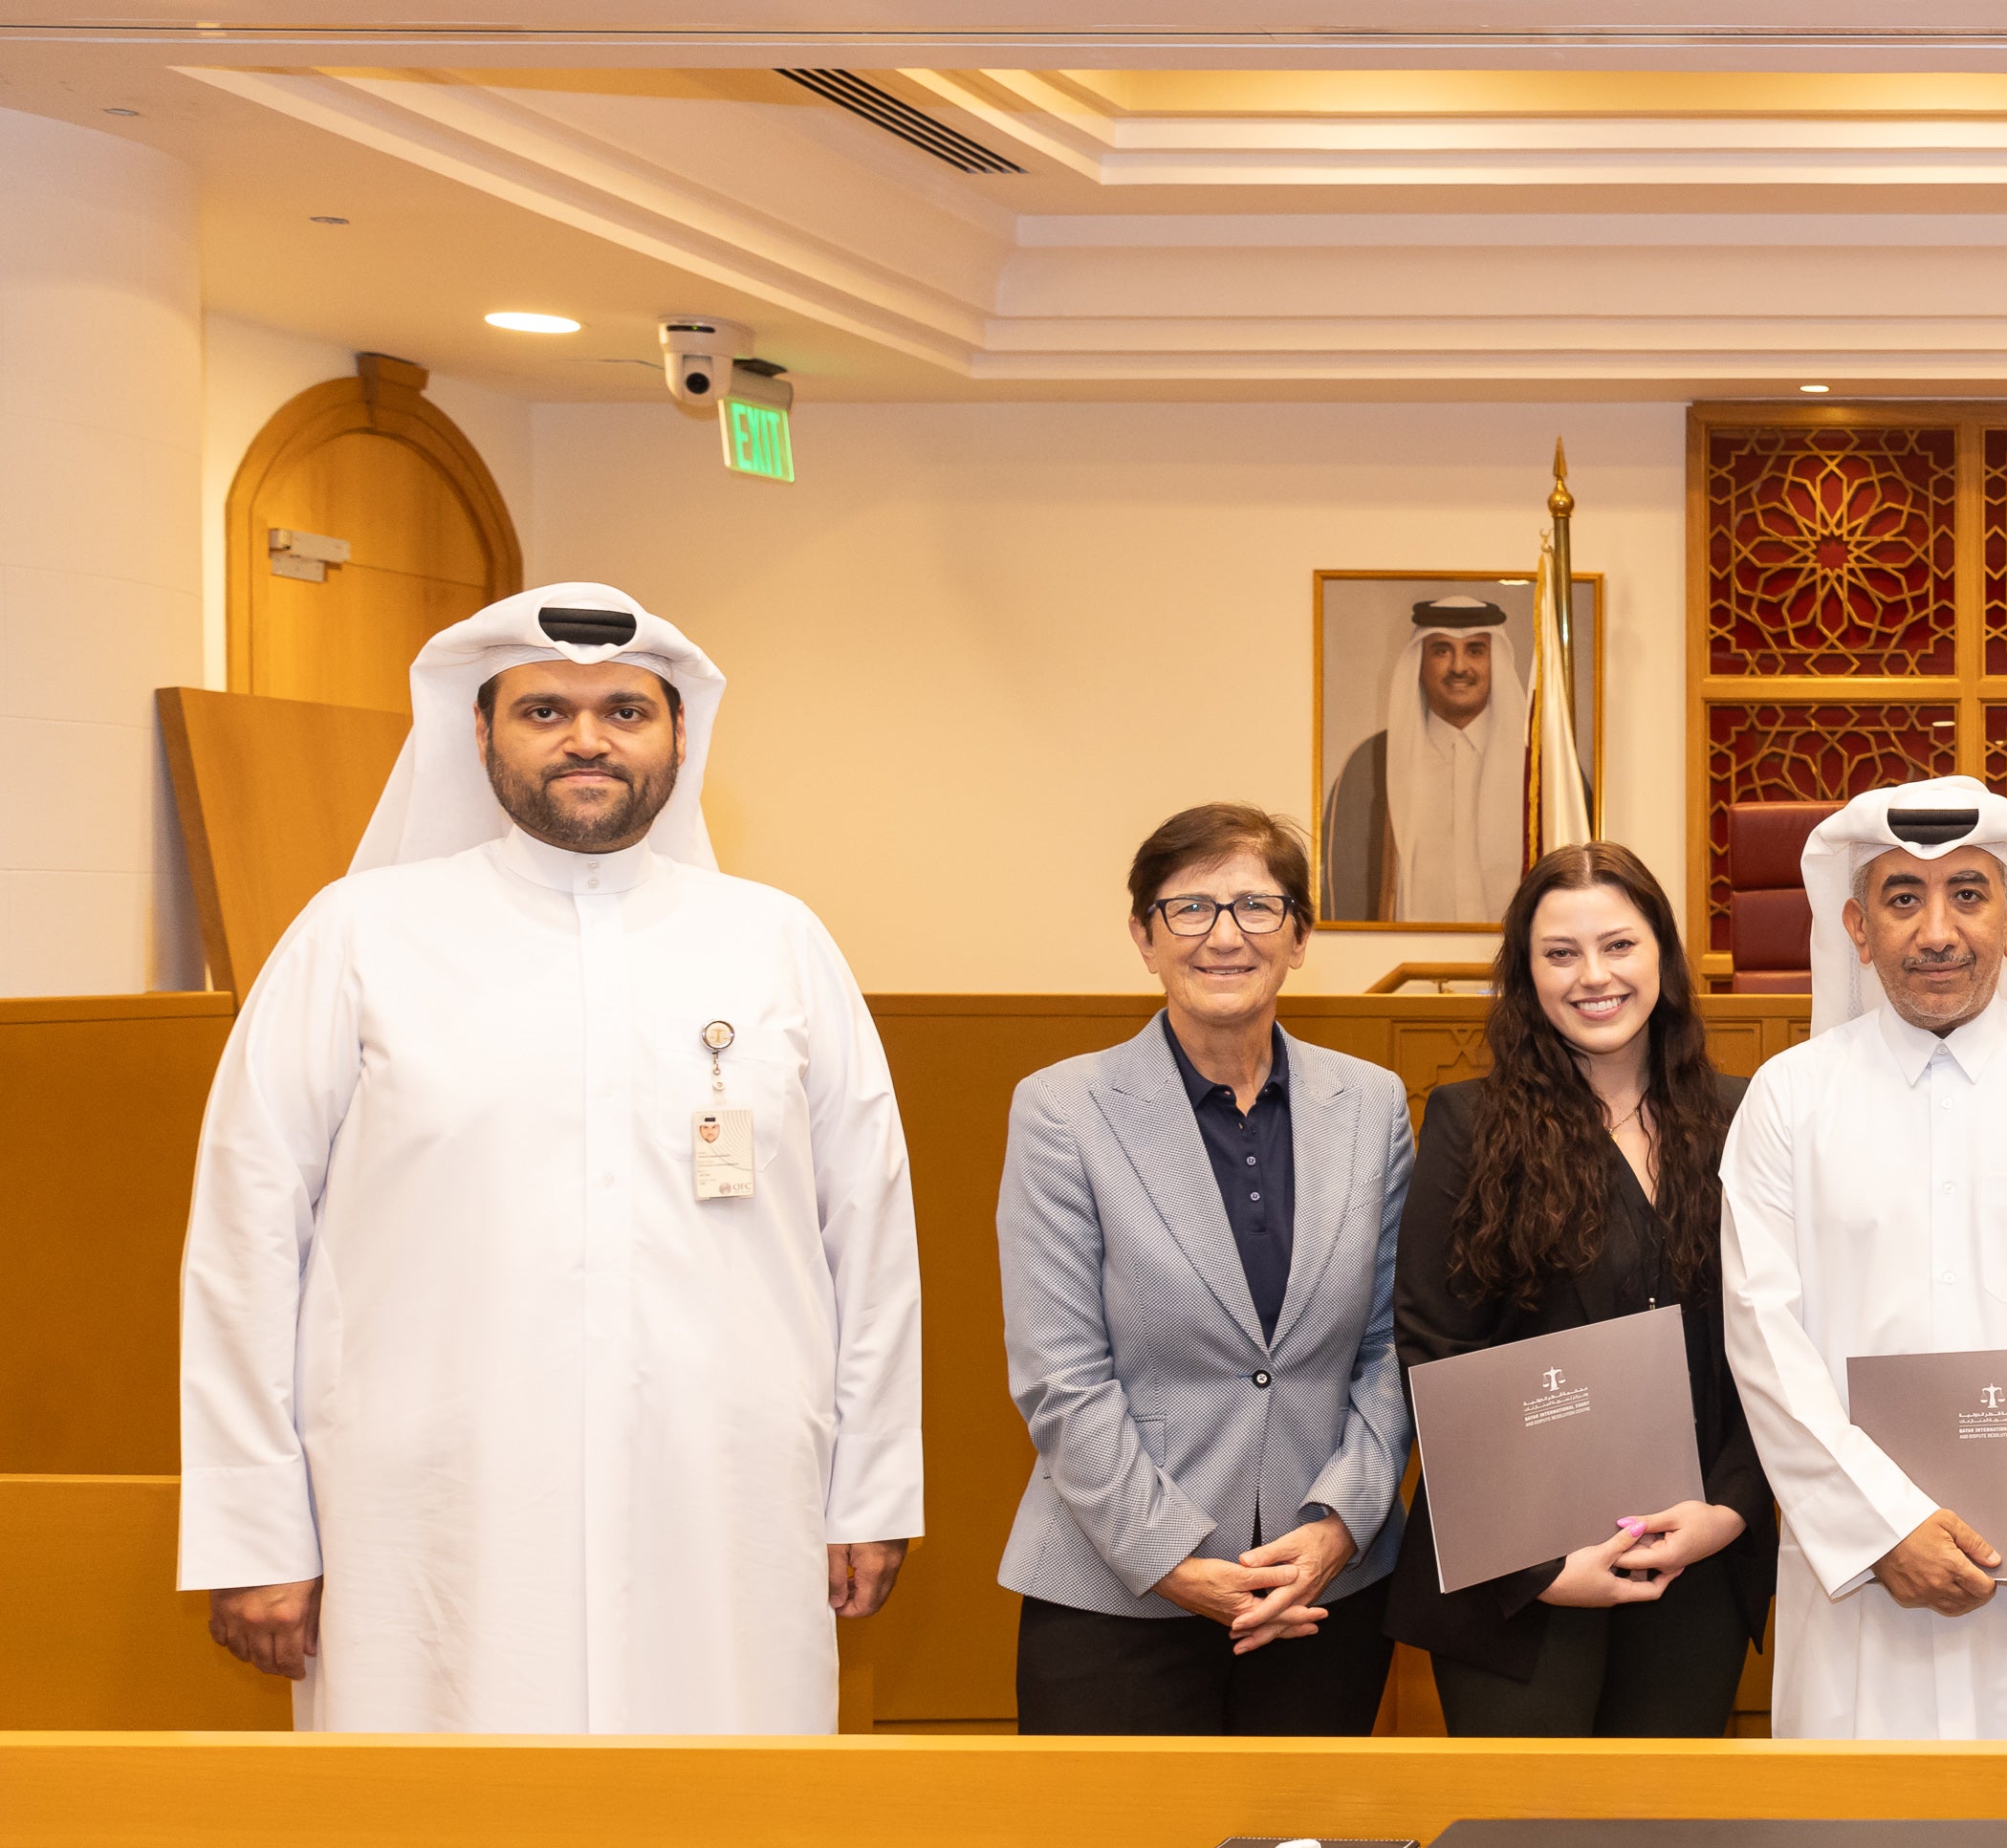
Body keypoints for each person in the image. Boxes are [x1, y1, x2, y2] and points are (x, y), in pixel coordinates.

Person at [178, 583, 922, 1731]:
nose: (587, 739)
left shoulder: (777, 942)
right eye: (543, 712)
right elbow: (243, 1239)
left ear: (680, 735)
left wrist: (869, 1491)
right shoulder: (357, 935)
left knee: (724, 1838)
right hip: (430, 1505)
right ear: (478, 734)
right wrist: (254, 1526)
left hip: (722, 1499)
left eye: (625, 710)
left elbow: (869, 1243)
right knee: (439, 1842)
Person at [1719, 778, 2007, 1740]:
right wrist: (1883, 1524)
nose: (1936, 929)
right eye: (1903, 898)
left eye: (1967, 894)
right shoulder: (1788, 1102)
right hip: (1867, 1591)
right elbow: (1766, 1344)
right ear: (1856, 928)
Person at [993, 805, 1415, 1735]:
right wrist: (1173, 1560)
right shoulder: (1063, 1112)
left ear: (1299, 937)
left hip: (1318, 1593)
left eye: (1257, 907)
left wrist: (1339, 1525)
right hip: (1117, 1591)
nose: (1224, 935)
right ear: (1144, 937)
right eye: (1189, 909)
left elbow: (1391, 1348)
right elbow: (1062, 1376)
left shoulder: (1373, 1105)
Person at [1388, 841, 1774, 1734]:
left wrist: (1728, 1511)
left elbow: (1780, 1340)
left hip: (1697, 1562)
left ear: (1663, 959)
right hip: (1521, 1579)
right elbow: (1433, 1349)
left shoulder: (1743, 1119)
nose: (1593, 976)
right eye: (1560, 953)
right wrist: (1535, 1565)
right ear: (1526, 976)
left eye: (1619, 946)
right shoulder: (1468, 1124)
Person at [1323, 596, 1522, 924]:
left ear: (1496, 661)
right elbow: (1343, 889)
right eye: (1442, 651)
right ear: (1419, 663)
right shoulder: (1370, 763)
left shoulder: (1538, 766)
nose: (1459, 667)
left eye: (1475, 650)